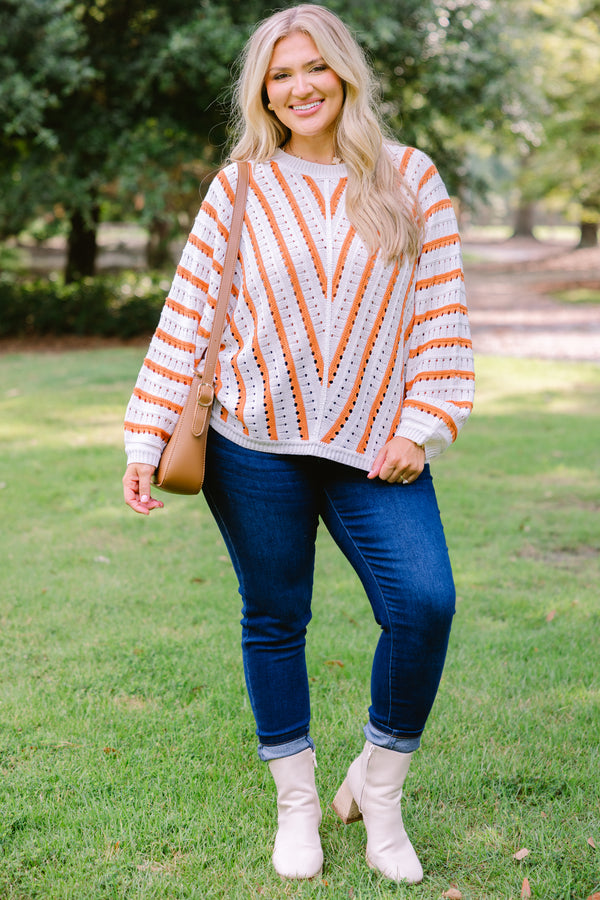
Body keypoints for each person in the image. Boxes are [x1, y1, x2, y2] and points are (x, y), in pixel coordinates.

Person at [123, 3, 474, 885]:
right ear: (263, 93)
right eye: (280, 75)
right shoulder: (240, 185)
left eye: (314, 67)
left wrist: (422, 423)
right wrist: (143, 437)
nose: (300, 86)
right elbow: (188, 315)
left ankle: (378, 791)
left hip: (375, 447)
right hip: (251, 444)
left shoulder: (410, 178)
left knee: (424, 603)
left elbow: (440, 316)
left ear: (344, 73)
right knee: (275, 618)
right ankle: (298, 806)